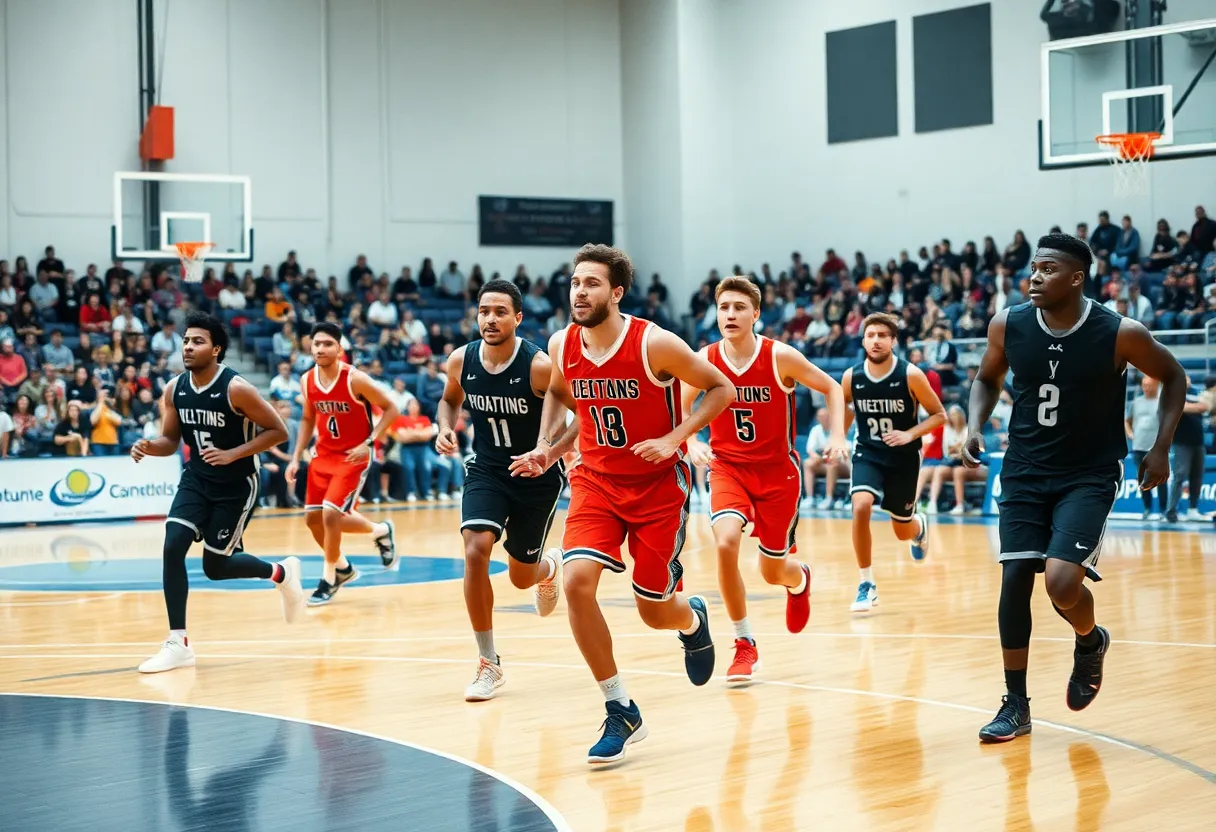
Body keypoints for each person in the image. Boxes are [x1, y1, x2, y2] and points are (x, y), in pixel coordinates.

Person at [510, 243, 735, 765]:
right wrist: (548, 449)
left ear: (615, 292)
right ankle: (621, 707)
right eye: (574, 282)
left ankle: (691, 620)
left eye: (591, 283)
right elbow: (572, 406)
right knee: (576, 582)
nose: (579, 291)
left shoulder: (655, 343)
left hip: (658, 487)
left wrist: (677, 436)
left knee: (654, 609)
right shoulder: (562, 343)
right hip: (595, 483)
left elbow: (720, 387)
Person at [962, 233, 1185, 742]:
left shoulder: (1119, 332)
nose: (1035, 276)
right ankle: (1015, 703)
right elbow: (986, 378)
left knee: (1061, 583)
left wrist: (1160, 447)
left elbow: (1174, 377)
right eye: (1033, 268)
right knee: (1016, 577)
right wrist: (975, 424)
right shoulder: (1009, 322)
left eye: (1048, 269)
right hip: (1023, 469)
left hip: (1088, 473)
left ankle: (1090, 641)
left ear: (1077, 277)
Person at [683, 276, 847, 684]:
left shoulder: (780, 357)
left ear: (756, 314)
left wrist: (840, 435)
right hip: (728, 468)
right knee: (724, 542)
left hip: (778, 474)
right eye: (724, 308)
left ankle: (799, 578)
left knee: (772, 571)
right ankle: (744, 642)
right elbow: (676, 406)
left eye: (740, 307)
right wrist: (689, 442)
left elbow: (832, 387)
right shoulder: (704, 359)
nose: (731, 315)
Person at [132, 311, 306, 674]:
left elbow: (278, 431)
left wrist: (233, 453)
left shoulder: (237, 388)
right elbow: (170, 440)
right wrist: (150, 445)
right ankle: (177, 641)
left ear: (216, 350)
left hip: (237, 485)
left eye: (198, 341)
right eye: (186, 341)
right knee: (172, 544)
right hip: (196, 478)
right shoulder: (174, 389)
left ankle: (281, 573)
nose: (188, 347)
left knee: (216, 567)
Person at [434, 280, 567, 701]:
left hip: (535, 477)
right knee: (475, 550)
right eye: (484, 311)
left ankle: (548, 569)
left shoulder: (539, 365)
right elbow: (449, 400)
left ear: (518, 318)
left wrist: (548, 451)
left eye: (500, 312)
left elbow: (577, 414)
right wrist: (444, 427)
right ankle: (488, 662)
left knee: (519, 577)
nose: (490, 319)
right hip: (487, 468)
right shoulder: (462, 360)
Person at [286, 322, 400, 606]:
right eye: (317, 344)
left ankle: (329, 577)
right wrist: (294, 456)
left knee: (330, 513)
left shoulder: (355, 379)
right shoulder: (306, 380)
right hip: (322, 455)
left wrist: (370, 441)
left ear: (339, 348)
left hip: (353, 457)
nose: (321, 349)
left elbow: (392, 408)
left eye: (328, 344)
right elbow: (307, 419)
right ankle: (370, 541)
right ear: (309, 347)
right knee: (314, 520)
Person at [842, 314, 945, 612]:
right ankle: (866, 583)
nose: (876, 340)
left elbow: (939, 415)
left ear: (893, 341)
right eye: (870, 334)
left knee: (902, 530)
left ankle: (918, 527)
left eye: (882, 335)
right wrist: (837, 437)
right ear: (863, 340)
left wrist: (908, 434)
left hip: (903, 456)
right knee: (860, 505)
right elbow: (846, 407)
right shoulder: (851, 376)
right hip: (868, 451)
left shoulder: (910, 374)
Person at [1164, 374, 1211, 524]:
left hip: (1198, 442)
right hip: (1181, 442)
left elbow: (1205, 406)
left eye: (1188, 378)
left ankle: (1193, 510)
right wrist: (1192, 407)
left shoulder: (1197, 392)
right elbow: (1175, 407)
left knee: (1197, 476)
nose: (1187, 381)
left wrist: (1186, 406)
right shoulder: (1172, 393)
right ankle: (1171, 511)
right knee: (1179, 475)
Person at [1125, 376, 1168, 519]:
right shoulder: (1136, 403)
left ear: (1156, 385)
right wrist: (1130, 433)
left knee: (1160, 479)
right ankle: (1147, 509)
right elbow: (1127, 421)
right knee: (1143, 479)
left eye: (1149, 385)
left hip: (1157, 448)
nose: (1146, 388)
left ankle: (1163, 510)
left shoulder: (1162, 402)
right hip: (1139, 446)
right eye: (1144, 385)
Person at [804, 407, 851, 509]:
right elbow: (810, 450)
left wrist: (823, 457)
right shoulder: (815, 430)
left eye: (826, 416)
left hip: (843, 466)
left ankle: (829, 499)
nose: (823, 418)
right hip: (824, 462)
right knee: (808, 463)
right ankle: (810, 498)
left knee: (832, 464)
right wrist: (815, 457)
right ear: (817, 418)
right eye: (821, 416)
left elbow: (843, 452)